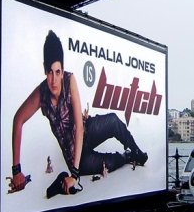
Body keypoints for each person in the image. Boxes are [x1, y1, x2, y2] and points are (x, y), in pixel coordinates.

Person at [9, 30, 148, 195]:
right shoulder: (41, 93)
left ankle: (136, 151)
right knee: (109, 163)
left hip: (86, 130)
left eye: (58, 72)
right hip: (75, 155)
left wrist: (73, 175)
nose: (54, 80)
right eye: (49, 72)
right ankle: (126, 157)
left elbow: (80, 128)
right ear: (45, 70)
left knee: (113, 121)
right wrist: (16, 170)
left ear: (62, 69)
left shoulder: (69, 80)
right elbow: (18, 119)